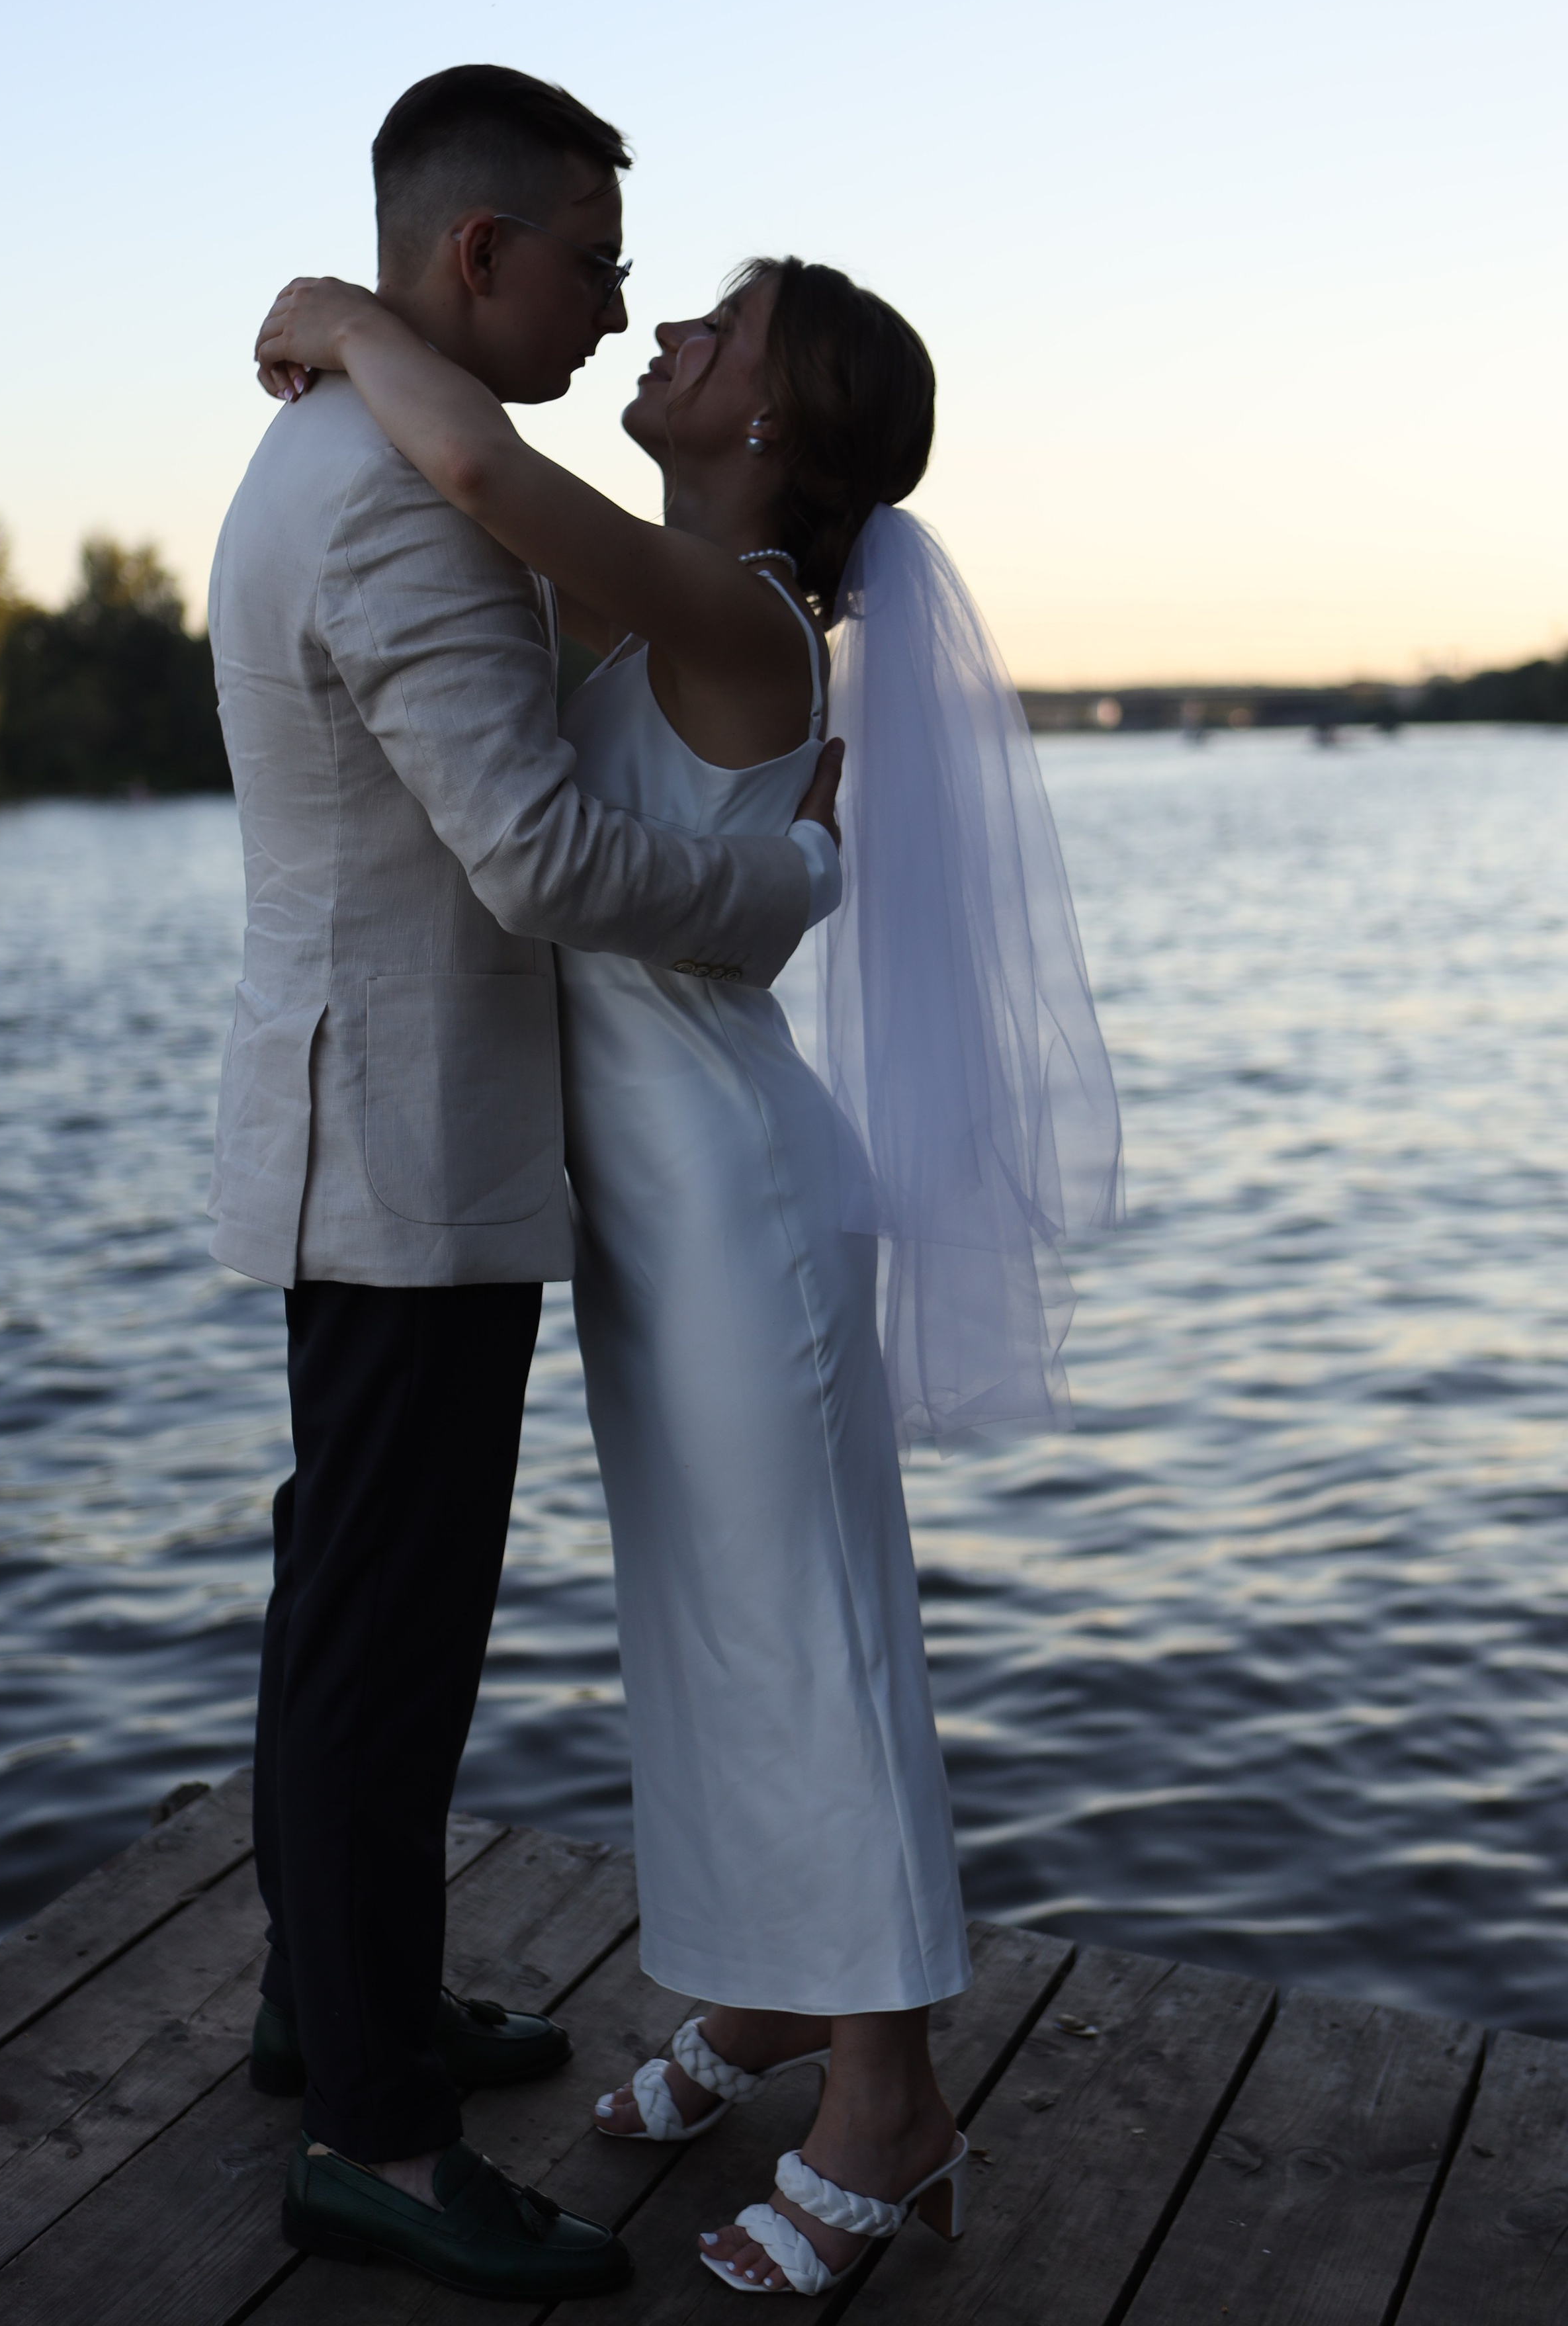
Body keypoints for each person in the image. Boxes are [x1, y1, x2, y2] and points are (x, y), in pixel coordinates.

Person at [253, 241, 1121, 2295]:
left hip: (734, 1210)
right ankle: (762, 1998)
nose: (666, 337)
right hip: (652, 1222)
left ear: (769, 424)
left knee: (810, 1645)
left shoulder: (735, 620)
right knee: (712, 1637)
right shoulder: (648, 612)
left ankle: (890, 2098)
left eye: (711, 327)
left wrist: (350, 313)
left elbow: (471, 475)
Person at [208, 65, 844, 2306]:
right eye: (592, 261)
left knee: (341, 1607)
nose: (616, 303)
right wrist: (782, 891)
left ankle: (333, 2005)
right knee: (386, 1650)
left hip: (367, 1122)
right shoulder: (395, 500)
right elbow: (548, 855)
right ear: (475, 257)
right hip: (407, 1148)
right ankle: (373, 2138)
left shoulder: (359, 446)